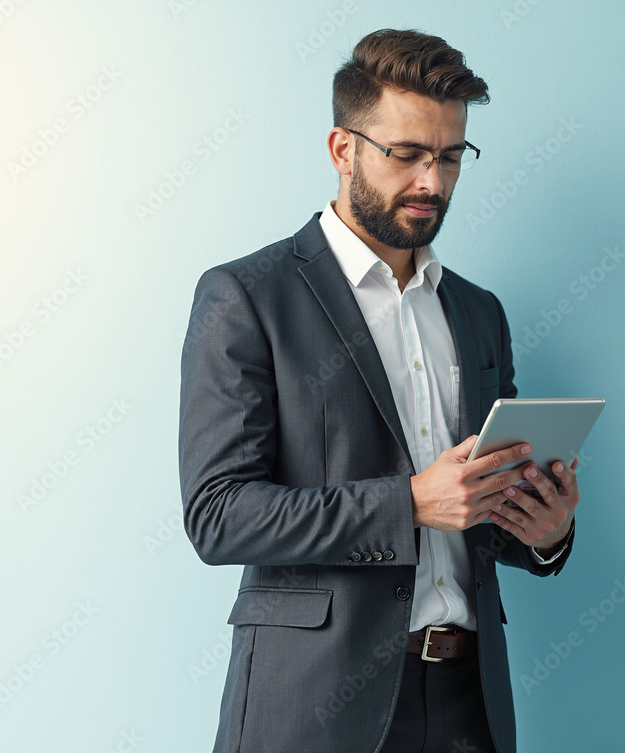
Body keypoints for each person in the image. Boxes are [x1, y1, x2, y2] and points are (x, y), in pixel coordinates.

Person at [179, 28, 581, 753]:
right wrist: (409, 503)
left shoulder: (478, 311)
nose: (432, 179)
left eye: (451, 155)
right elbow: (218, 514)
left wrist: (545, 532)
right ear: (344, 149)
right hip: (314, 704)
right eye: (407, 154)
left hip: (469, 705)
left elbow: (480, 512)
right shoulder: (247, 296)